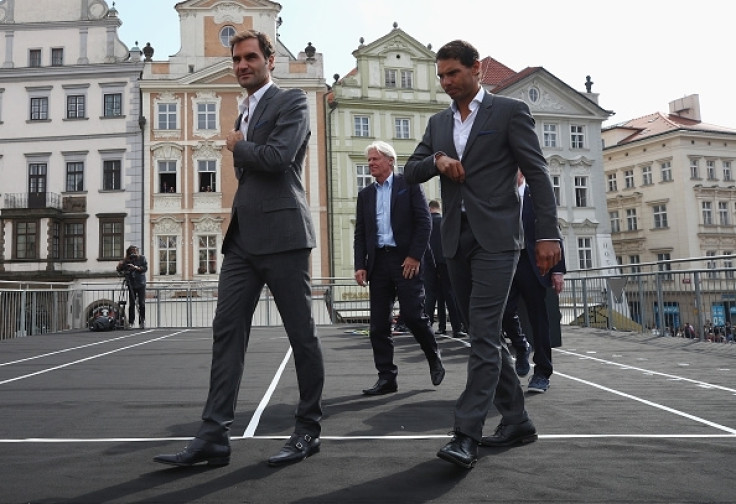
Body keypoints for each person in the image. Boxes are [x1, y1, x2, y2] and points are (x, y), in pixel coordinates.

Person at [154, 30, 324, 468]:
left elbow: (278, 158)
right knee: (226, 333)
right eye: (237, 59)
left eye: (251, 57)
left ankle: (307, 429)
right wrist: (240, 140)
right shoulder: (242, 111)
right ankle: (213, 436)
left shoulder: (292, 102)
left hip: (285, 235)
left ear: (270, 59)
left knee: (301, 335)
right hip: (243, 239)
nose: (243, 65)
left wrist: (237, 145)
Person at [404, 39, 561, 469]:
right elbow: (410, 170)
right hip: (455, 239)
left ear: (476, 69)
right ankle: (518, 421)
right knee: (482, 335)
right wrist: (437, 160)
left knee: (486, 332)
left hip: (498, 240)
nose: (446, 82)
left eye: (453, 73)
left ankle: (465, 434)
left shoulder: (509, 112)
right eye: (440, 76)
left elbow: (538, 172)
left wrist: (548, 234)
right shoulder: (438, 123)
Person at [354, 140, 445, 396]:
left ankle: (433, 355)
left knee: (414, 316)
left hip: (406, 261)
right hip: (379, 263)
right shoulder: (365, 195)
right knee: (378, 326)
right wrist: (360, 264)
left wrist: (415, 257)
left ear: (390, 161)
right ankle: (386, 378)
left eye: (375, 159)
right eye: (369, 160)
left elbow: (425, 223)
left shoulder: (410, 185)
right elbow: (360, 233)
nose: (370, 163)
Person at [501, 171, 566, 392]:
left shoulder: (536, 196)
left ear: (520, 171)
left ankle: (542, 373)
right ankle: (521, 345)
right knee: (504, 313)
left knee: (539, 320)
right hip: (505, 263)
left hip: (534, 264)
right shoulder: (498, 197)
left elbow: (553, 230)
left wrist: (558, 270)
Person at [423, 199, 466, 338]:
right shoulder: (444, 221)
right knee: (449, 295)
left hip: (429, 262)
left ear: (429, 209)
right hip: (445, 260)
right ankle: (456, 327)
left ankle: (427, 326)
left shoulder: (425, 222)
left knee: (430, 295)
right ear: (438, 208)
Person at [116, 245, 147, 329]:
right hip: (131, 283)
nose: (133, 253)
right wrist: (119, 266)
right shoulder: (127, 260)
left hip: (141, 283)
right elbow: (120, 271)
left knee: (142, 303)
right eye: (131, 251)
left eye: (134, 251)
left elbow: (145, 268)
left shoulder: (142, 258)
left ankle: (142, 321)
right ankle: (131, 322)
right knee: (132, 304)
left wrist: (136, 268)